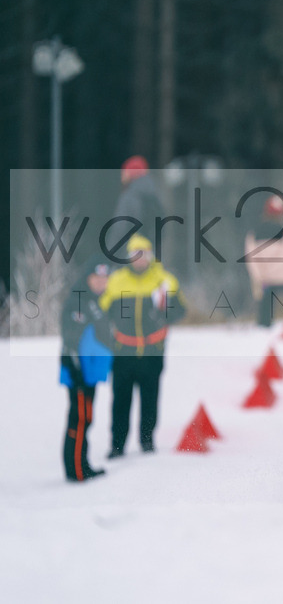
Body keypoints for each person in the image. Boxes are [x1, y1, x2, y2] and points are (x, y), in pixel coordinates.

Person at [99, 234, 186, 457]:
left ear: (150, 257)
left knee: (150, 399)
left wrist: (165, 306)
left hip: (152, 352)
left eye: (143, 255)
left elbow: (179, 312)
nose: (139, 260)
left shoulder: (164, 281)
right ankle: (117, 445)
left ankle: (147, 441)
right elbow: (102, 312)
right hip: (123, 352)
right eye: (134, 256)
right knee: (120, 401)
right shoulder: (116, 281)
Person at [59, 257, 113, 482]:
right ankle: (77, 471)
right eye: (96, 278)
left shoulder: (94, 300)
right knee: (80, 418)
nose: (101, 283)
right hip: (78, 372)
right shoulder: (79, 300)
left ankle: (82, 464)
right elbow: (71, 339)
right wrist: (76, 369)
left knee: (85, 418)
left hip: (89, 373)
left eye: (104, 279)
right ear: (87, 278)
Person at [244, 194, 283, 327]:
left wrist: (260, 277)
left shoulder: (253, 233)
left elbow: (251, 260)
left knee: (264, 317)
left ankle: (263, 328)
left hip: (265, 281)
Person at [112, 155, 165, 253]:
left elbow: (121, 227)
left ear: (130, 174)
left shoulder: (130, 196)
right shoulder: (155, 195)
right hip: (149, 252)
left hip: (129, 252)